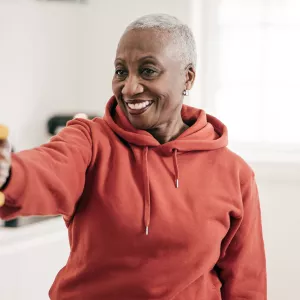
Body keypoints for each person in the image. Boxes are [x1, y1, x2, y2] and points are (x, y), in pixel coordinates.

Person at [0, 14, 267, 300]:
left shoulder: (234, 174)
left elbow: (245, 284)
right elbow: (49, 167)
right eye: (121, 71)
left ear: (187, 76)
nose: (129, 88)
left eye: (148, 71)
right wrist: (9, 173)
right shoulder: (90, 140)